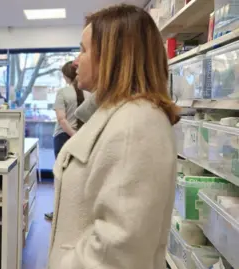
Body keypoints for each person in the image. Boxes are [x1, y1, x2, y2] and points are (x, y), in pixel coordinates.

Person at [48, 4, 179, 269]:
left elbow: (118, 249)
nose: (76, 61)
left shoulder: (136, 123)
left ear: (111, 56)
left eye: (84, 50)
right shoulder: (115, 114)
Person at [44, 62, 89, 221]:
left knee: (61, 176)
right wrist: (80, 135)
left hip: (64, 136)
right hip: (85, 136)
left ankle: (58, 212)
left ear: (65, 76)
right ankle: (78, 213)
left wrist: (73, 135)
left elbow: (61, 120)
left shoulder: (63, 92)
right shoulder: (89, 92)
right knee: (81, 176)